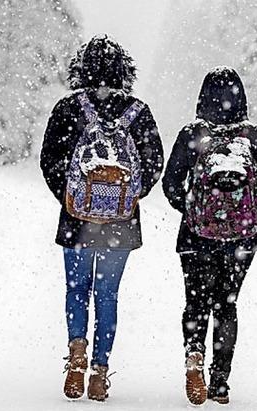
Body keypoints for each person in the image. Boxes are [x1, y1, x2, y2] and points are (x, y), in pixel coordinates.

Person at [40, 35, 164, 402]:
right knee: (107, 294)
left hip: (76, 220)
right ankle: (99, 371)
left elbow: (50, 160)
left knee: (77, 289)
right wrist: (126, 198)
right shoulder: (139, 112)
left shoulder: (68, 108)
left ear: (82, 68)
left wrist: (72, 198)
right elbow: (154, 163)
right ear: (125, 71)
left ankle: (76, 352)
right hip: (121, 225)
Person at [162, 66, 257, 405]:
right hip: (242, 240)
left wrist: (192, 209)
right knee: (226, 305)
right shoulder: (253, 136)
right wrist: (252, 205)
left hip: (195, 237)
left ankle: (194, 355)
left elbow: (171, 184)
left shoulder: (193, 133)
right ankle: (219, 382)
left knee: (196, 302)